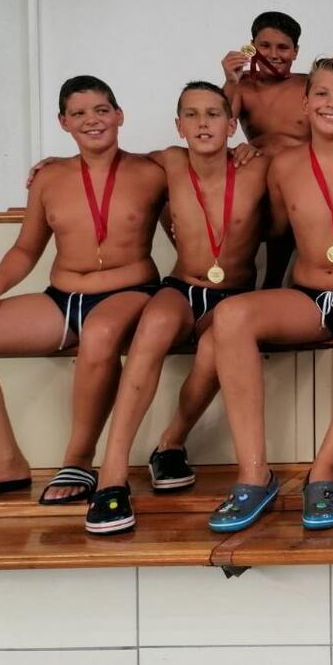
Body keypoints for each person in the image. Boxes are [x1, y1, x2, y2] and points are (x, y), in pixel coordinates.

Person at [207, 59, 333, 532]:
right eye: (322, 94)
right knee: (231, 315)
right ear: (305, 102)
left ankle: (324, 472)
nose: (331, 104)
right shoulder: (282, 165)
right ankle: (254, 474)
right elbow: (276, 233)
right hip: (307, 295)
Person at [83, 82, 270, 535]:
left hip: (235, 295)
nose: (203, 123)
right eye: (191, 114)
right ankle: (111, 472)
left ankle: (170, 444)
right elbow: (106, 160)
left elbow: (300, 151)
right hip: (182, 286)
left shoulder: (258, 165)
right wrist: (57, 164)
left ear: (232, 125)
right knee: (154, 326)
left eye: (213, 114)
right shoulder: (167, 161)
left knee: (213, 350)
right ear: (179, 125)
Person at [0, 76, 166, 505]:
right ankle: (5, 460)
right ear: (63, 122)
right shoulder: (49, 177)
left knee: (100, 333)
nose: (91, 120)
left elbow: (204, 179)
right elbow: (26, 248)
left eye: (101, 110)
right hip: (62, 298)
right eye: (78, 113)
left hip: (131, 292)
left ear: (119, 115)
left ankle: (79, 460)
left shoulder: (153, 171)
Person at [220, 11, 310, 158]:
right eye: (265, 46)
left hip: (302, 166)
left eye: (282, 47)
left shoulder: (311, 85)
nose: (273, 55)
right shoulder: (240, 85)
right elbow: (215, 128)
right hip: (258, 165)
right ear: (252, 48)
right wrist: (230, 82)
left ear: (295, 51)